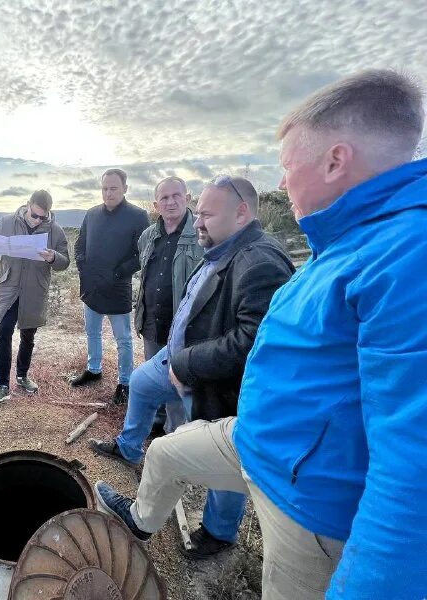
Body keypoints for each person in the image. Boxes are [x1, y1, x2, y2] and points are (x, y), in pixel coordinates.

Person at [94, 70, 427, 599]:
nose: (280, 183)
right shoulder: (348, 240)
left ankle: (218, 534)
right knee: (165, 453)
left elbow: (414, 464)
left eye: (288, 166)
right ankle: (140, 521)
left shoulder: (406, 254)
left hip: (306, 501)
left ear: (335, 160)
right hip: (255, 440)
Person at [92, 176, 293, 557]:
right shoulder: (223, 247)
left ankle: (218, 534)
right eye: (197, 213)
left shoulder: (259, 261)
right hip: (178, 353)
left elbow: (251, 341)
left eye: (205, 214)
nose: (197, 222)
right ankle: (129, 447)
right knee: (141, 381)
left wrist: (186, 365)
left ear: (241, 213)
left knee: (225, 450)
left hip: (219, 380)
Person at [0, 190, 69, 403]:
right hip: (9, 288)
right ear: (28, 205)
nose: (38, 220)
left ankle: (22, 376)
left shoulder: (56, 231)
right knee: (3, 332)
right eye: (35, 215)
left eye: (43, 217)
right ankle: (2, 385)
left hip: (35, 290)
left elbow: (65, 262)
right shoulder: (6, 223)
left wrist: (53, 257)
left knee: (28, 335)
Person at [71, 168, 150, 404]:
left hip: (118, 288)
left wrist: (118, 273)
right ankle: (94, 370)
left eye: (113, 188)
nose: (108, 193)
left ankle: (125, 382)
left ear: (125, 189)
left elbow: (142, 253)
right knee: (92, 332)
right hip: (92, 287)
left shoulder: (138, 215)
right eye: (105, 188)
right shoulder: (92, 213)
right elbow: (80, 243)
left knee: (123, 340)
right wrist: (83, 267)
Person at [134, 176, 203, 435]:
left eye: (176, 196)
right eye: (164, 197)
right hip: (152, 323)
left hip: (184, 330)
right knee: (154, 381)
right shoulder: (148, 236)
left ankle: (177, 438)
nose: (171, 202)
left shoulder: (200, 234)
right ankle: (159, 424)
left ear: (187, 198)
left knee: (179, 387)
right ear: (156, 205)